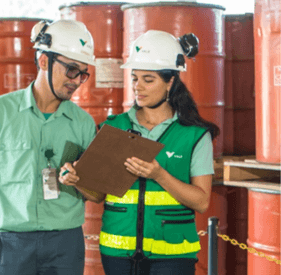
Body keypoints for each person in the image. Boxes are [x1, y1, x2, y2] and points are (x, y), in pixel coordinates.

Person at [59, 30, 220, 275]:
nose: (138, 87)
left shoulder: (194, 136)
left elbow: (201, 201)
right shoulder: (113, 127)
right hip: (117, 253)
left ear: (171, 82)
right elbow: (98, 194)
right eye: (134, 78)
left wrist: (159, 175)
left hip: (173, 255)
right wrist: (76, 181)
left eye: (148, 79)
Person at [0, 19, 99, 275]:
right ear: (44, 61)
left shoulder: (83, 123)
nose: (77, 81)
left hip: (66, 243)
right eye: (71, 70)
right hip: (13, 243)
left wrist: (80, 179)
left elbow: (94, 190)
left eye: (83, 73)